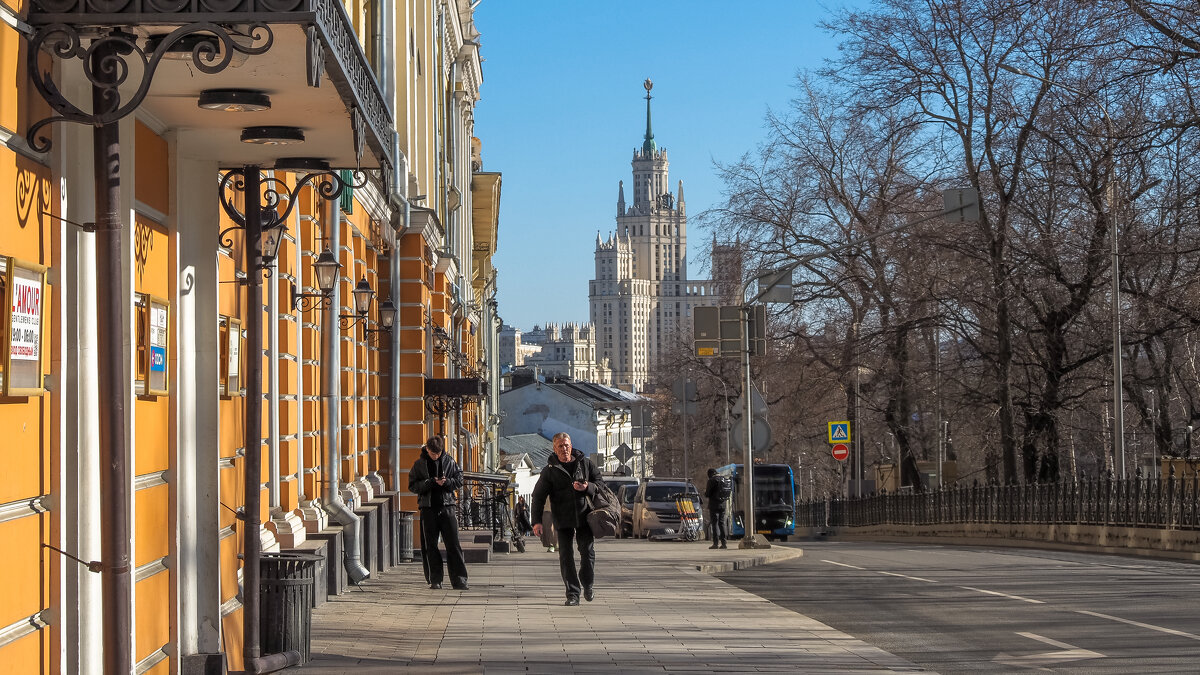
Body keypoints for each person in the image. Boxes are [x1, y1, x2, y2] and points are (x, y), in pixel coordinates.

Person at [532, 432, 602, 605]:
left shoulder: (585, 463)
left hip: (585, 516)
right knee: (566, 556)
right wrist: (537, 522)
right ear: (555, 449)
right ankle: (572, 594)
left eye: (567, 445)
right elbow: (538, 497)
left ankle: (588, 583)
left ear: (571, 446)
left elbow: (600, 483)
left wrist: (587, 487)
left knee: (587, 552)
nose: (564, 449)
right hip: (562, 518)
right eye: (560, 446)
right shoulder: (550, 470)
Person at [408, 436, 469, 590]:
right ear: (427, 449)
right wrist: (429, 483)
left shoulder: (449, 461)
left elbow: (459, 479)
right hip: (428, 508)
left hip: (447, 507)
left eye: (438, 453)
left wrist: (447, 482)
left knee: (453, 544)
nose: (435, 456)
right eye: (432, 453)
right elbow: (412, 485)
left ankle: (460, 580)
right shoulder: (419, 464)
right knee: (431, 546)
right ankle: (435, 579)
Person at [705, 468, 729, 549]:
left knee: (714, 523)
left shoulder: (711, 480)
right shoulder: (723, 479)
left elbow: (707, 493)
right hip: (723, 504)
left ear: (709, 474)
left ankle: (715, 543)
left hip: (714, 505)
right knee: (722, 523)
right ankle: (724, 543)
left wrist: (706, 493)